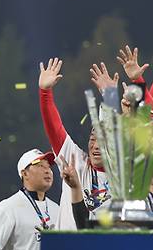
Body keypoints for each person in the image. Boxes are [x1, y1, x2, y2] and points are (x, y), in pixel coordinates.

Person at [38, 58, 110, 229]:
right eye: (93, 139)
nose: (96, 146)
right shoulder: (76, 161)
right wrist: (45, 92)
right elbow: (55, 130)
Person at [0, 149, 60, 250]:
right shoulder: (8, 208)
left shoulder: (58, 209)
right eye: (40, 166)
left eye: (48, 166)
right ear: (25, 174)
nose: (47, 171)